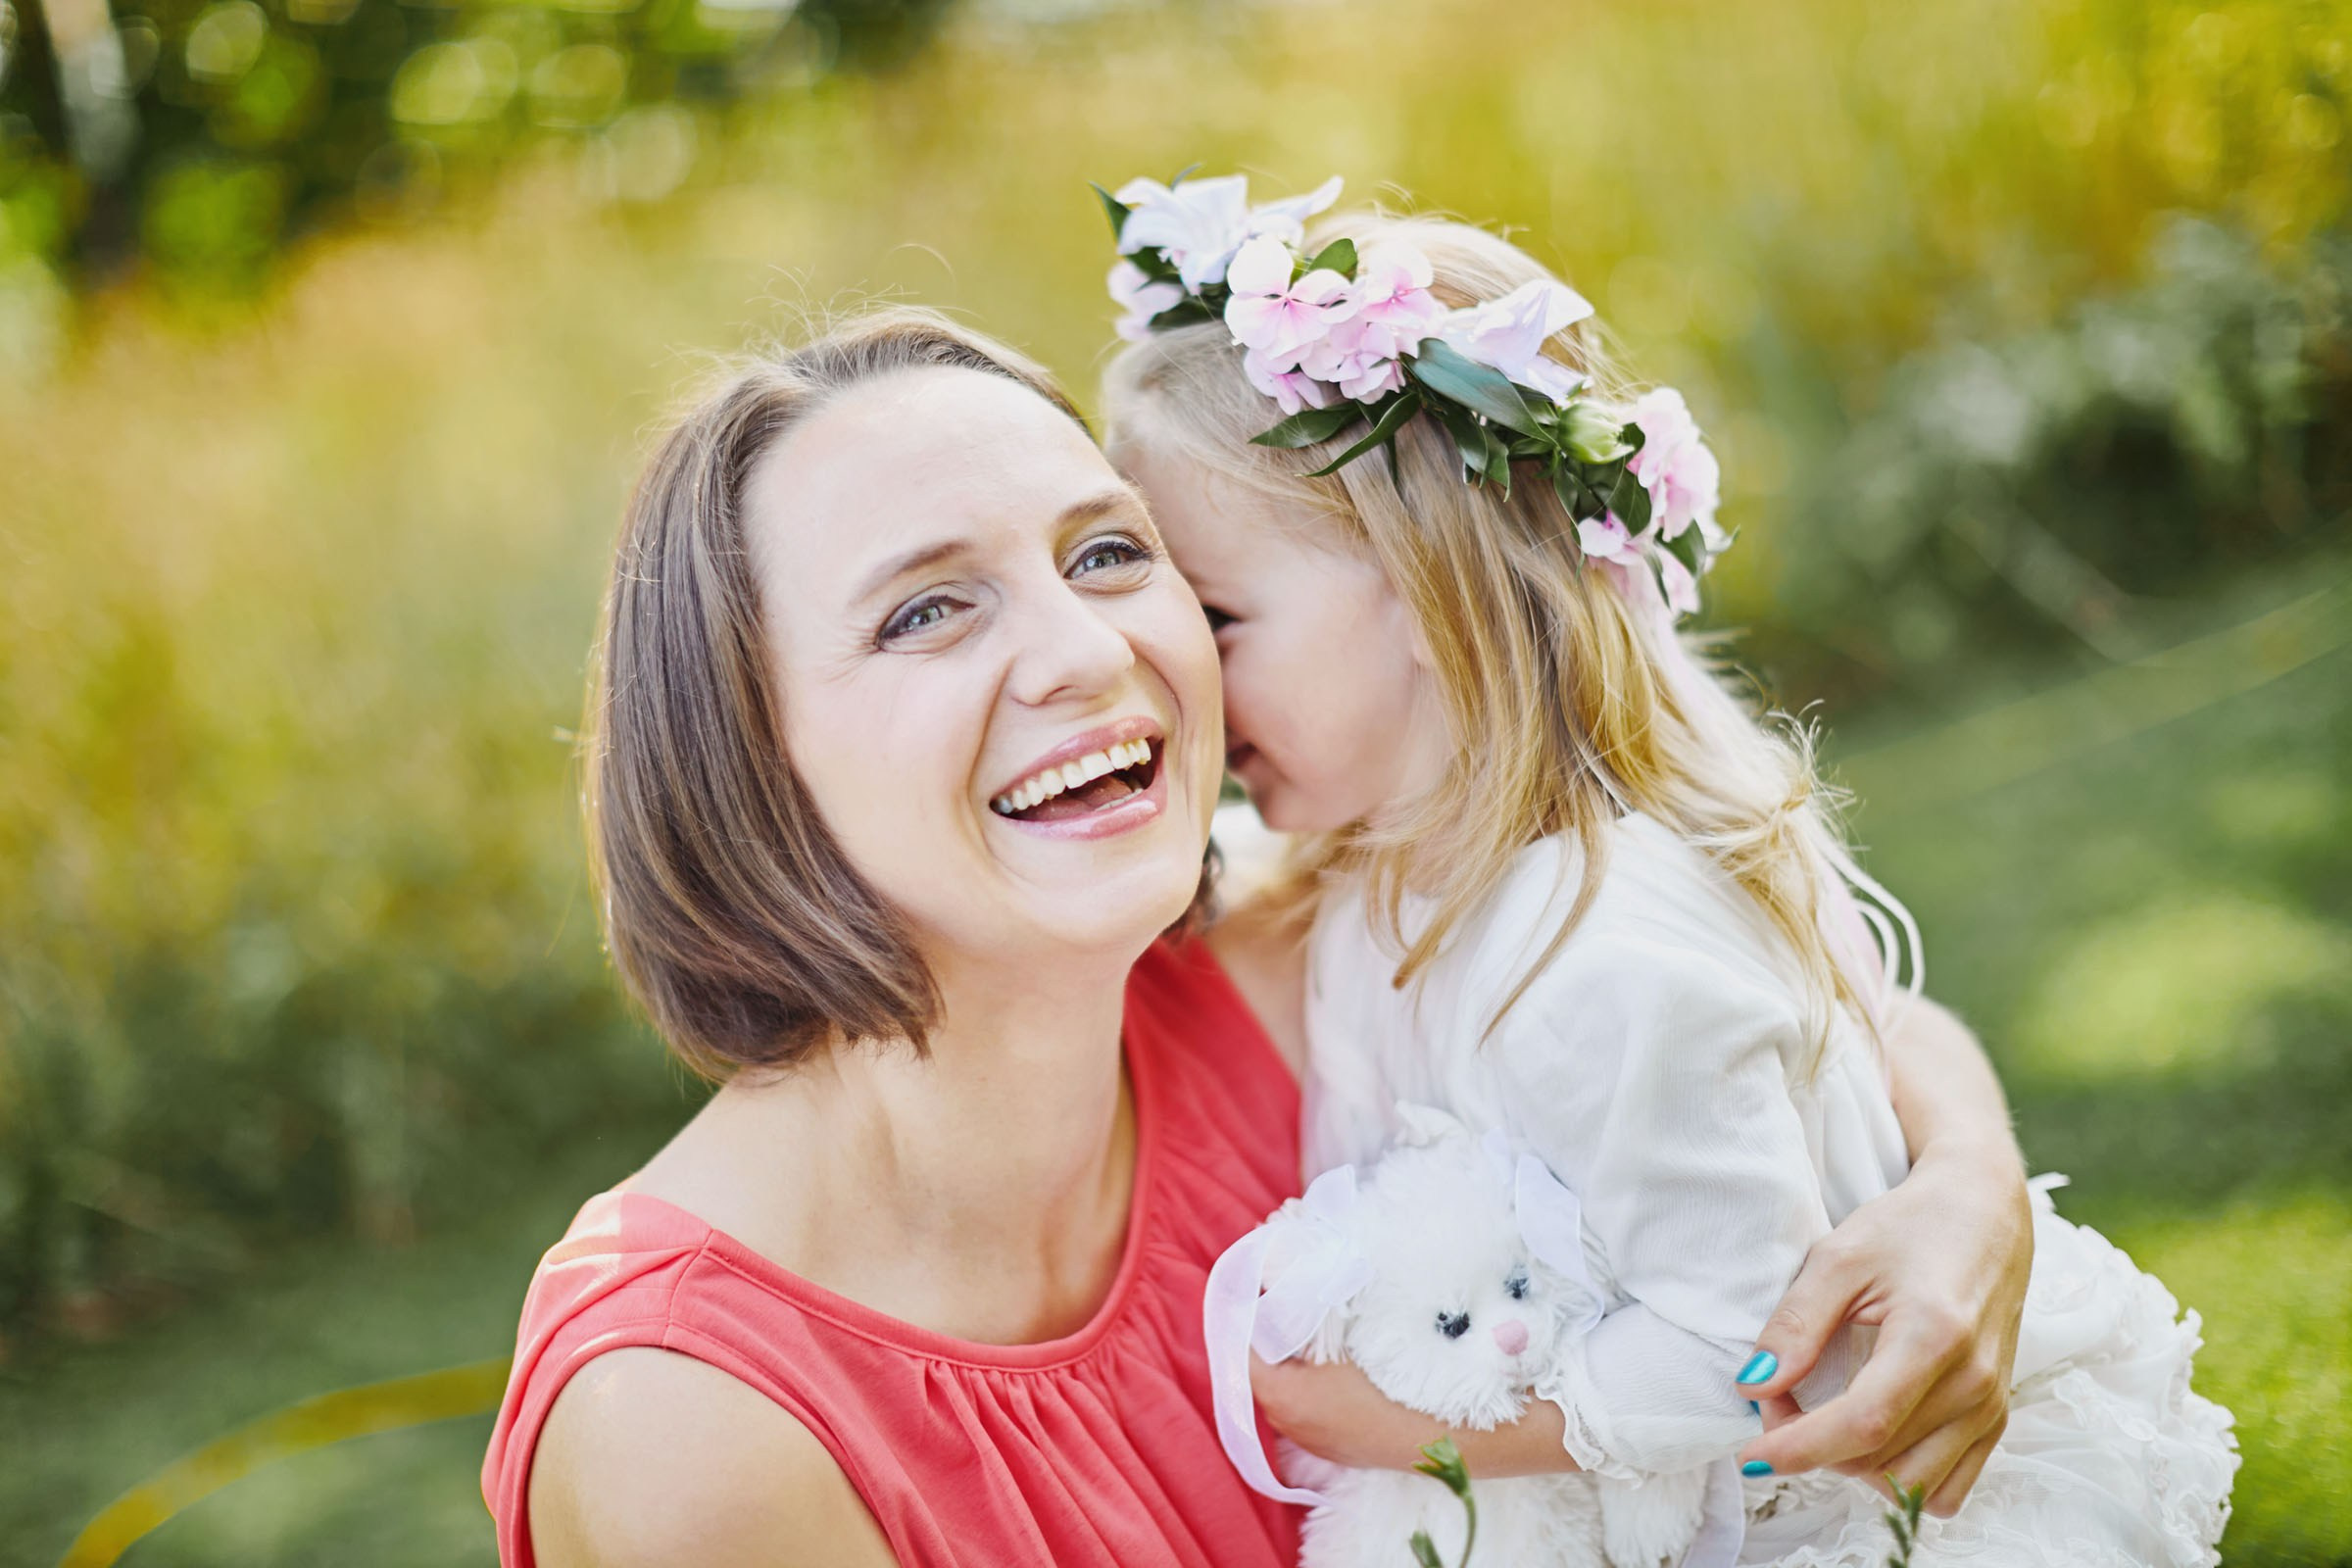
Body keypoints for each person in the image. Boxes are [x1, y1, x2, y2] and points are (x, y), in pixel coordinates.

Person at [481, 307, 2038, 1568]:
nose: (1091, 653)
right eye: (927, 612)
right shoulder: (694, 1432)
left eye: (1106, 553)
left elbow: (1799, 1014)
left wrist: (1967, 1193)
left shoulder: (1305, 953)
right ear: (742, 759)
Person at [1099, 183, 2239, 1563]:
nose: (1183, 688)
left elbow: (1746, 1342)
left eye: (1217, 618)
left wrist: (1385, 1428)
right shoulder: (1374, 872)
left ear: (1418, 581)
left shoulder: (1600, 953)